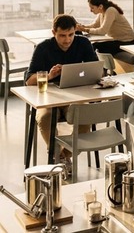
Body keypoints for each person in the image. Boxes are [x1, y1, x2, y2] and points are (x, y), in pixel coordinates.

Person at [25, 14, 98, 171]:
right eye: (62, 35)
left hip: (74, 95)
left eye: (71, 34)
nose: (67, 40)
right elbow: (29, 80)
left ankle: (63, 156)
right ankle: (57, 155)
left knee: (86, 115)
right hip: (48, 97)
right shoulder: (43, 48)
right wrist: (49, 76)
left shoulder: (83, 43)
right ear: (54, 32)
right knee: (45, 118)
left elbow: (96, 70)